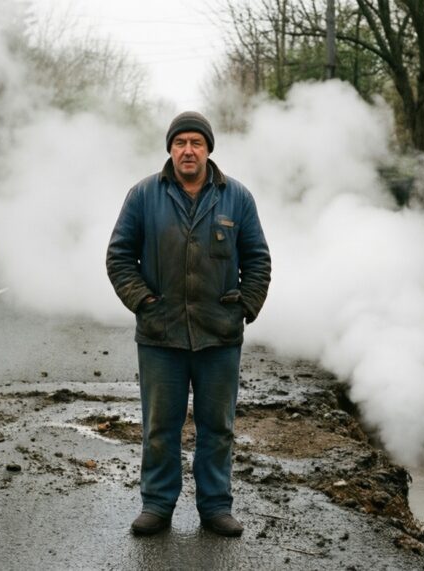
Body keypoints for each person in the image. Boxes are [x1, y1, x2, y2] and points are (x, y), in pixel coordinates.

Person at [106, 111, 271, 537]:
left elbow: (258, 260)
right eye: (180, 143)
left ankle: (216, 507)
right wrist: (143, 302)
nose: (188, 150)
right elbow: (120, 257)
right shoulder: (143, 195)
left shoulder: (237, 198)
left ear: (208, 150)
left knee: (218, 428)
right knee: (161, 427)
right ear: (170, 150)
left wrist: (244, 307)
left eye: (196, 143)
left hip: (219, 335)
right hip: (160, 336)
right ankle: (157, 505)